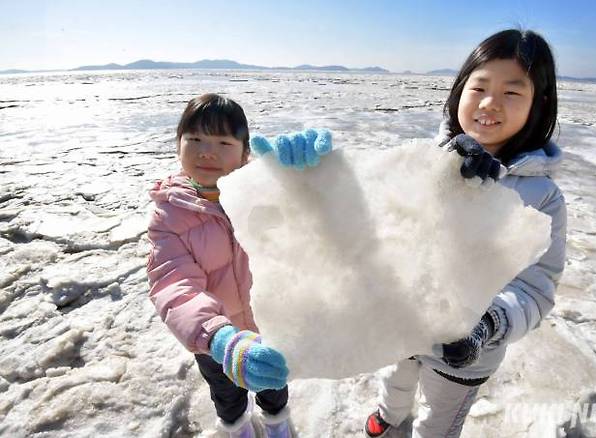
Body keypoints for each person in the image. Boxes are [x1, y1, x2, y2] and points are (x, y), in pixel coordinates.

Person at [364, 29, 567, 438]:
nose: (490, 103)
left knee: (441, 416)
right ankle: (389, 416)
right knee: (396, 377)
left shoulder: (542, 198)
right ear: (459, 92)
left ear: (538, 104)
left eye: (512, 93)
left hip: (467, 354)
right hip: (403, 322)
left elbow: (535, 288)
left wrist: (485, 325)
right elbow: (386, 227)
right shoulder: (426, 161)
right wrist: (445, 177)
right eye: (479, 87)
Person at [146, 93, 331, 438]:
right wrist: (219, 338)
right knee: (227, 396)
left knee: (274, 386)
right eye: (196, 139)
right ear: (178, 145)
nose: (207, 151)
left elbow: (315, 224)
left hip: (271, 326)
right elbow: (173, 284)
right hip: (217, 339)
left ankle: (276, 423)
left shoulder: (265, 192)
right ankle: (237, 429)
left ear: (245, 153)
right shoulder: (169, 214)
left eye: (223, 142)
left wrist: (309, 173)